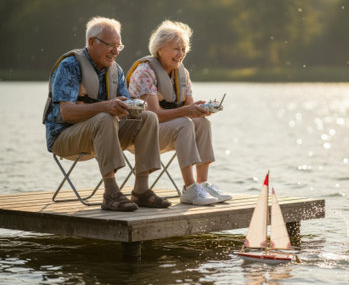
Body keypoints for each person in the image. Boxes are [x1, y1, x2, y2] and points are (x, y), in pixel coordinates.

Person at [43, 16, 171, 211]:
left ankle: (141, 191)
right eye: (111, 45)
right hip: (63, 137)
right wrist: (106, 106)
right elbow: (67, 113)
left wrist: (132, 106)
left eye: (119, 46)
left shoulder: (115, 70)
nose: (115, 51)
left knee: (148, 117)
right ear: (92, 42)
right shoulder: (69, 65)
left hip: (101, 134)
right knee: (105, 117)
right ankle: (111, 194)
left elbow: (124, 105)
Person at [127, 20, 232, 206]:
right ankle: (189, 188)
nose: (181, 54)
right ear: (159, 49)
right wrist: (187, 111)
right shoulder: (145, 72)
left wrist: (201, 109)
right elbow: (153, 115)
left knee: (202, 123)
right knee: (185, 123)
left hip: (168, 131)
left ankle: (202, 184)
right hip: (141, 135)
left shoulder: (183, 74)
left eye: (183, 49)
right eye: (176, 49)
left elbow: (189, 108)